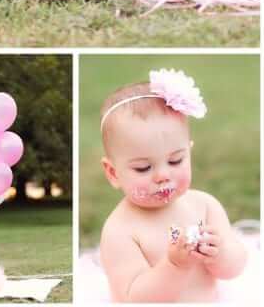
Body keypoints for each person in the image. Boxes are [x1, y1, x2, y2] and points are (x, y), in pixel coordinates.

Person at [99, 68, 247, 303]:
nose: (163, 176)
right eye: (143, 168)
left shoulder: (205, 206)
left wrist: (220, 254)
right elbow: (134, 298)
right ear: (113, 173)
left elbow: (235, 268)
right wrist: (174, 266)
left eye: (175, 161)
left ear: (189, 152)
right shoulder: (120, 230)